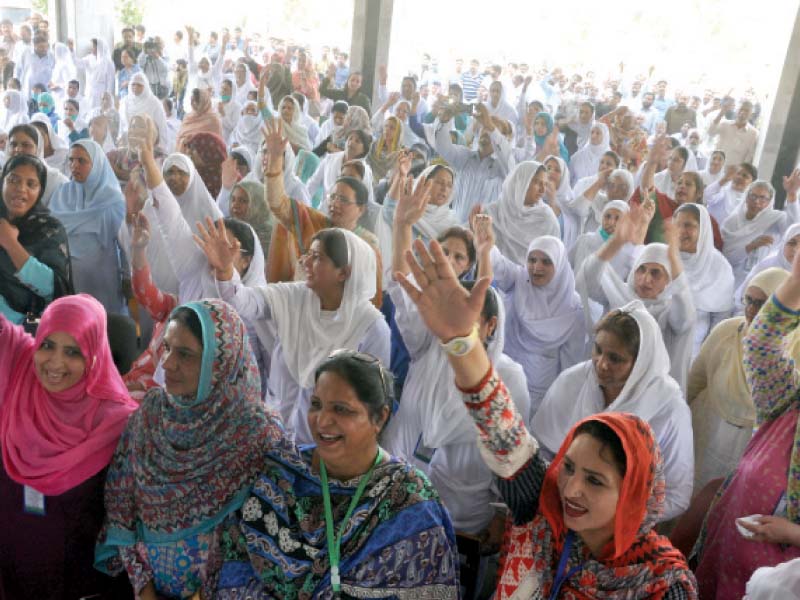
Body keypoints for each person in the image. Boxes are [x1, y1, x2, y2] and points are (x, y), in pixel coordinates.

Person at [393, 237, 698, 599]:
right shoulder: (542, 515)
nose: (570, 489)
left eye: (596, 481)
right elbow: (504, 433)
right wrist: (462, 342)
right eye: (567, 468)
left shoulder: (662, 584)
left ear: (634, 491)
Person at [215, 350, 460, 598]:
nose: (322, 421)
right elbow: (237, 571)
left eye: (341, 410)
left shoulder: (408, 499)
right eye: (316, 405)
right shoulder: (282, 476)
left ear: (380, 417)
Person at [95, 299, 283, 598]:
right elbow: (121, 504)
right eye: (167, 347)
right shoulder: (150, 416)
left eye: (185, 354)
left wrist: (209, 593)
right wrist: (143, 586)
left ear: (219, 361)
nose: (167, 363)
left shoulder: (256, 434)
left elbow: (266, 536)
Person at [198, 220, 390, 445]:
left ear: (343, 273)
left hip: (327, 451)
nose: (305, 262)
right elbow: (244, 302)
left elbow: (371, 402)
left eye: (317, 257)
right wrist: (225, 271)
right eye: (308, 254)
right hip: (272, 438)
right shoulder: (294, 297)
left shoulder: (370, 327)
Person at [0, 294, 138, 599]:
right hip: (12, 577)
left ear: (95, 355)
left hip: (82, 587)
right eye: (47, 345)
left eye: (73, 352)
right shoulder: (18, 381)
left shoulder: (119, 424)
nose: (56, 363)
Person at [694, 250, 800, 598]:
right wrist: (795, 284)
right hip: (726, 561)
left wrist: (793, 534)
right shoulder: (788, 402)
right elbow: (760, 343)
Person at [688, 267, 791, 492]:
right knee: (692, 491)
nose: (752, 310)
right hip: (706, 427)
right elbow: (696, 380)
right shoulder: (727, 330)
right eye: (749, 300)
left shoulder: (794, 347)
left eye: (762, 304)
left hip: (751, 442)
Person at [576, 203, 696, 391]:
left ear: (668, 280)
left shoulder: (668, 310)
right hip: (603, 383)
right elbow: (587, 280)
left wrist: (673, 258)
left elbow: (685, 320)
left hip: (645, 391)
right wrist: (616, 242)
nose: (645, 279)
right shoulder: (620, 295)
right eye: (641, 270)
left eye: (656, 273)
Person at [477, 215, 586, 415]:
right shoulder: (519, 279)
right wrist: (486, 245)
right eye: (532, 260)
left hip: (539, 395)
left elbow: (570, 367)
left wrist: (561, 406)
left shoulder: (573, 310)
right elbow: (498, 265)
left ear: (560, 266)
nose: (536, 267)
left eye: (546, 262)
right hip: (501, 379)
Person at [48, 139, 126, 313]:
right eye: (71, 160)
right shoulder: (62, 193)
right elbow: (51, 231)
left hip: (101, 278)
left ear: (97, 164)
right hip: (67, 277)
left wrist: (128, 278)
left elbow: (125, 245)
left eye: (81, 161)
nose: (74, 165)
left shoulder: (113, 202)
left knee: (104, 324)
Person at [0, 153, 71, 323]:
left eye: (31, 184)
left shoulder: (49, 229)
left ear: (40, 191)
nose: (21, 188)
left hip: (24, 330)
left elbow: (54, 288)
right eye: (14, 180)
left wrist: (11, 244)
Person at [722, 179, 800, 288]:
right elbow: (726, 257)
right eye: (753, 196)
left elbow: (793, 229)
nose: (756, 201)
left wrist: (792, 195)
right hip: (729, 277)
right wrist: (750, 246)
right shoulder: (731, 222)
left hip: (760, 280)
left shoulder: (775, 218)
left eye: (762, 198)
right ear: (746, 198)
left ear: (769, 201)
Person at [480, 161, 560, 265]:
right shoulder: (492, 213)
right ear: (521, 182)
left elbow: (553, 259)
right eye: (537, 182)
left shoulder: (547, 219)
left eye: (545, 184)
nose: (542, 189)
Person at [6, 123, 68, 206]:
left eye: (26, 145)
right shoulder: (4, 176)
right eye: (13, 145)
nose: (18, 149)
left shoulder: (56, 181)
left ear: (38, 148)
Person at [119, 74, 170, 155]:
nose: (135, 87)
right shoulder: (124, 103)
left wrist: (161, 148)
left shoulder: (154, 103)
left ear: (145, 86)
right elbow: (122, 126)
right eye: (133, 84)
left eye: (139, 85)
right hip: (127, 147)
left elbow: (162, 127)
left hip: (149, 147)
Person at [708, 98, 758, 166]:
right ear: (736, 110)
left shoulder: (753, 133)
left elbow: (749, 155)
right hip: (716, 166)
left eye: (746, 110)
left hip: (734, 172)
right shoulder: (725, 124)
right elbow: (711, 132)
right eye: (741, 109)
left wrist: (739, 171)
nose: (743, 112)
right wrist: (720, 114)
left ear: (751, 114)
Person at [179, 130, 227, 198]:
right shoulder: (192, 173)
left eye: (193, 148)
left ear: (208, 153)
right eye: (189, 147)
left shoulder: (226, 181)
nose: (188, 152)